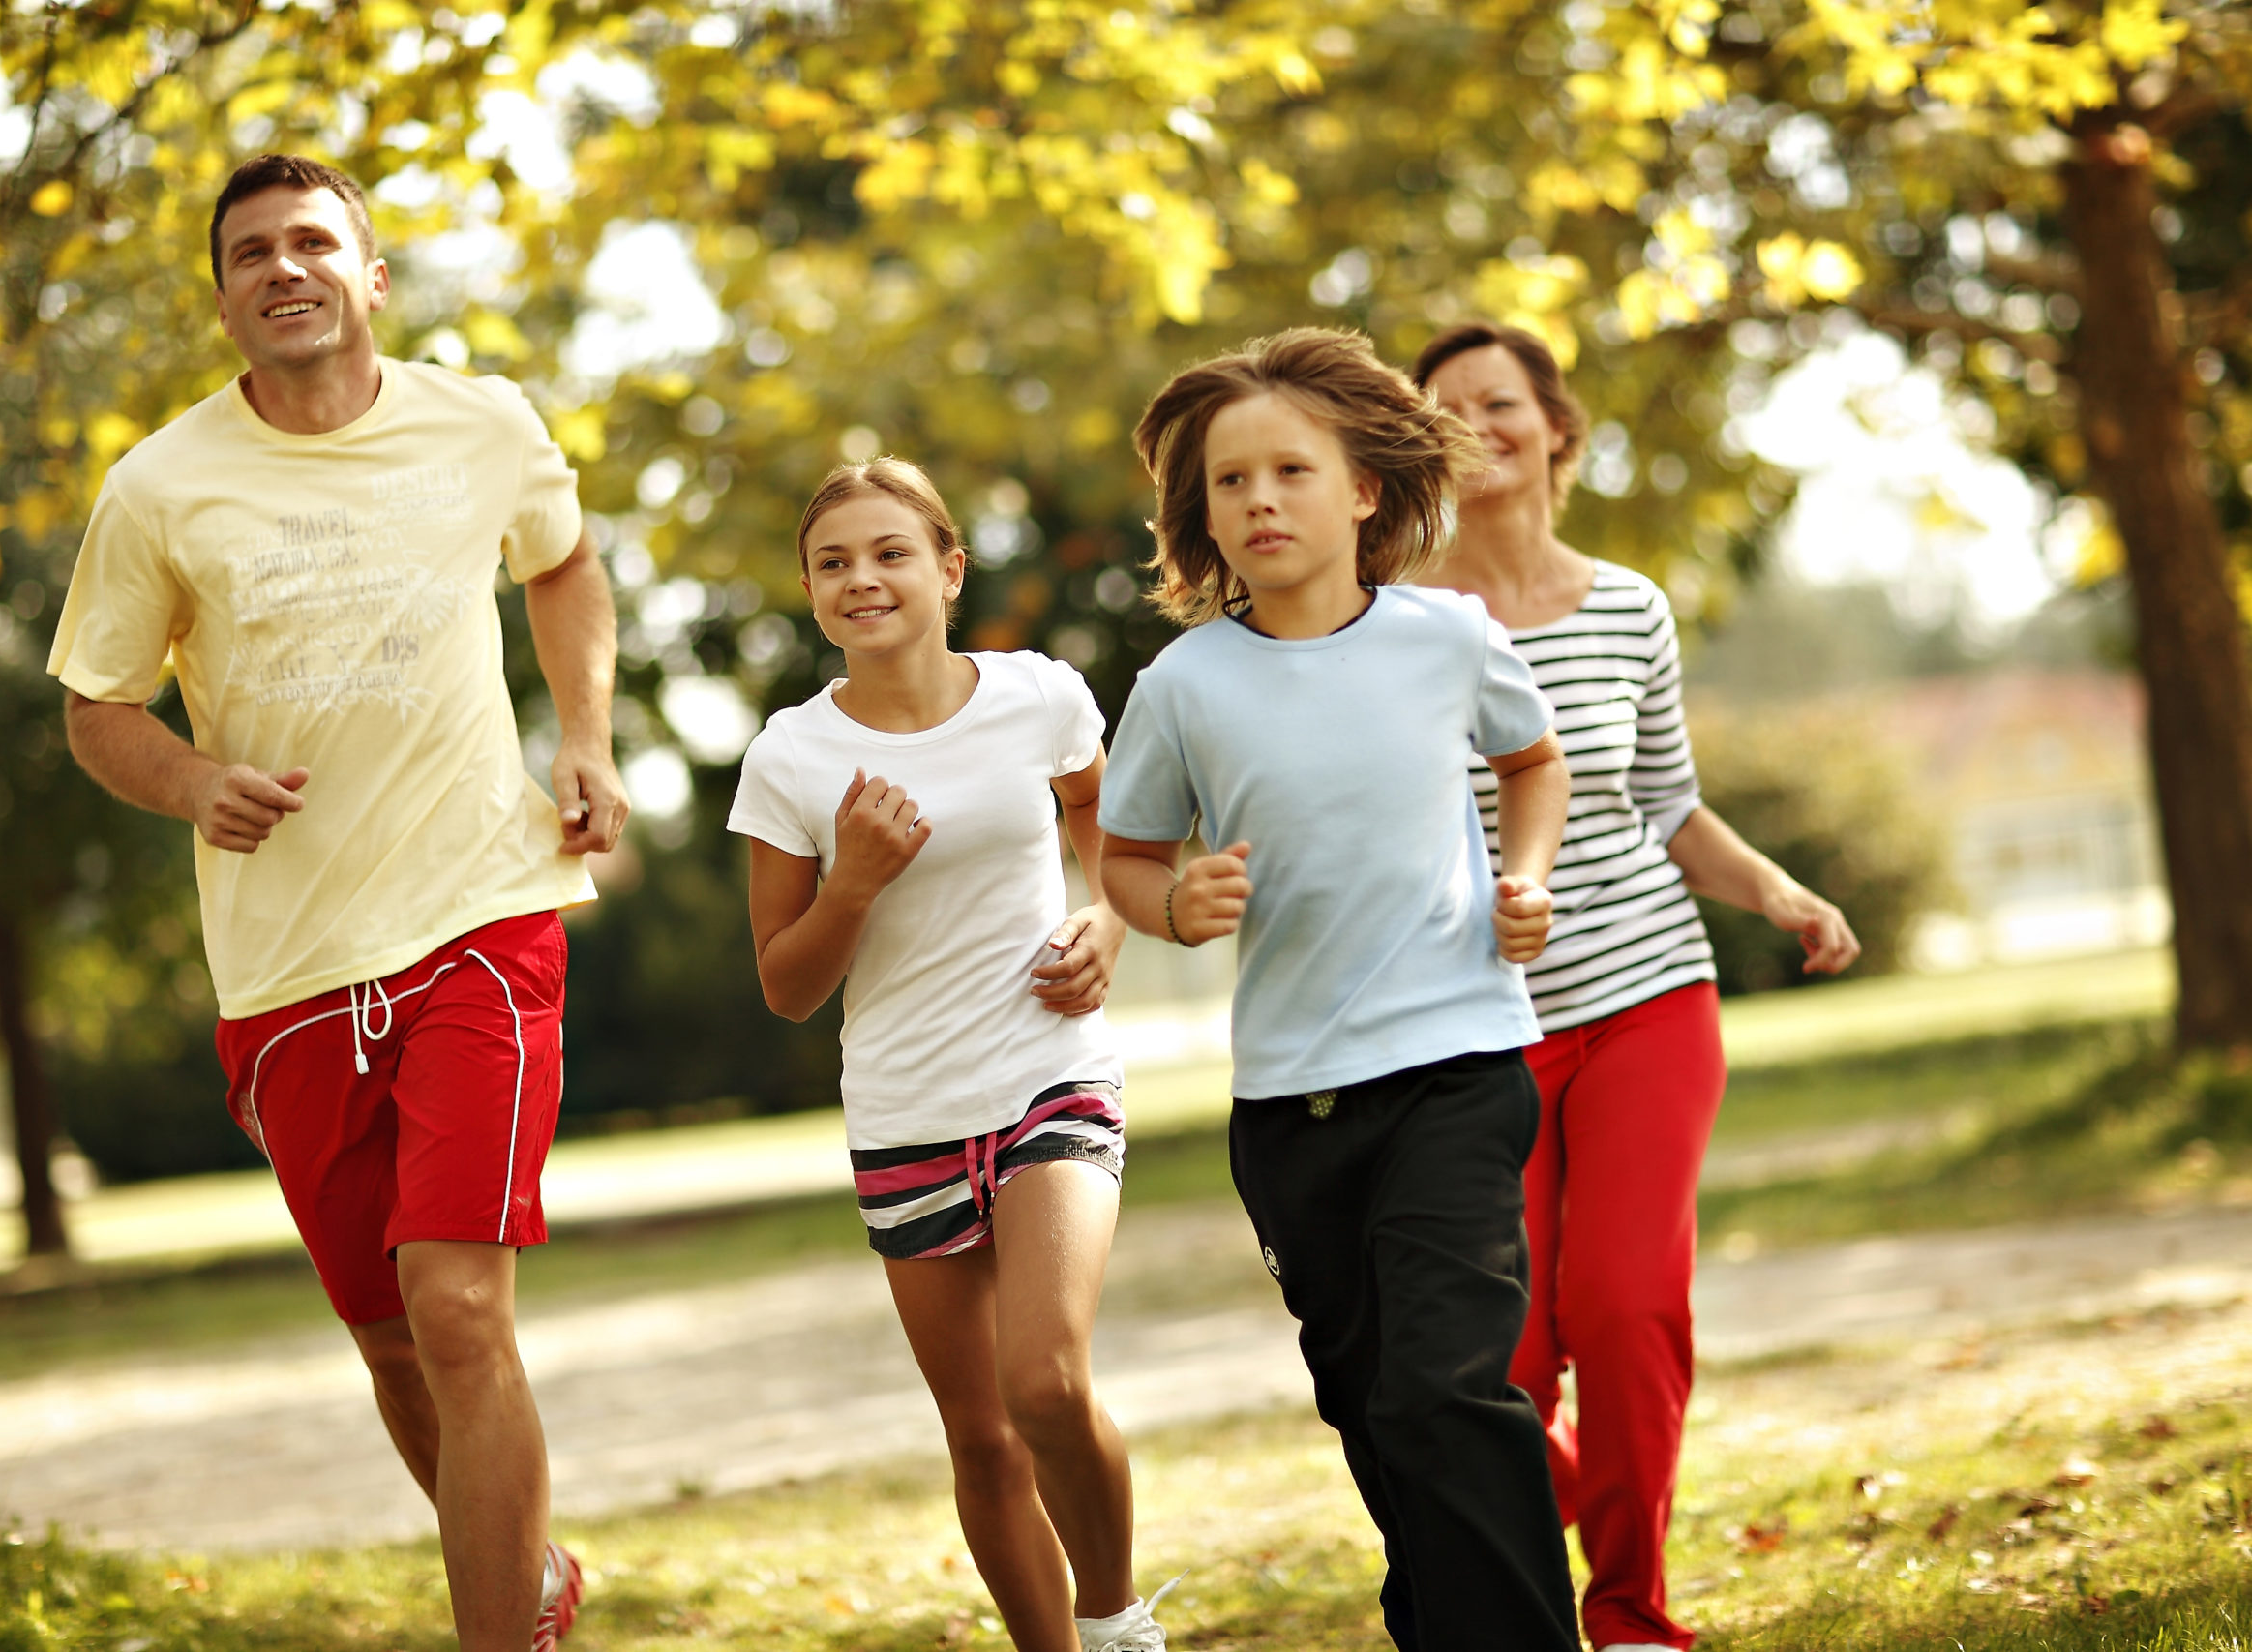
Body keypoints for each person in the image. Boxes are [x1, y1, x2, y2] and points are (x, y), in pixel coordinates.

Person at [51, 153, 623, 1652]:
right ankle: (527, 1569)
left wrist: (589, 736)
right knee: (388, 1340)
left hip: (480, 921)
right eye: (252, 253)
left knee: (458, 1308)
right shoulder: (160, 486)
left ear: (371, 276)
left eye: (314, 241)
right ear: (227, 297)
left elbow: (564, 565)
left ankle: (502, 1635)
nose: (284, 267)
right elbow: (98, 706)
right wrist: (191, 783)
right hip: (287, 967)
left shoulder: (483, 421)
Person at [1096, 327, 1581, 1652]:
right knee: (1375, 1406)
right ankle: (1437, 1618)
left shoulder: (1447, 635)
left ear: (1363, 489)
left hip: (1458, 1065)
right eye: (1229, 481)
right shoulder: (1186, 682)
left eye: (1289, 471)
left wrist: (1520, 878)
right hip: (1294, 1109)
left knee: (1444, 1390)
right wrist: (1173, 906)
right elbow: (1127, 854)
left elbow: (1534, 762)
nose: (1259, 499)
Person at [1412, 319, 1863, 1652]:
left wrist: (1777, 890)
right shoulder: (1403, 624)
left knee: (1622, 1308)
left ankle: (1632, 1614)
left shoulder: (1629, 605)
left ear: (1560, 427)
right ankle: (1514, 1547)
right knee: (1503, 1353)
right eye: (1446, 410)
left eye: (1500, 401)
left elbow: (1669, 799)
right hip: (1481, 1027)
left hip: (1652, 997)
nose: (1477, 425)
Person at [727, 459, 1174, 1652]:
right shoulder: (789, 758)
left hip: (1049, 1070)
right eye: (832, 563)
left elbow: (1107, 822)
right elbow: (786, 984)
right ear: (812, 592)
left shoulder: (1040, 697)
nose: (861, 580)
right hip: (903, 1111)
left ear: (947, 569)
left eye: (889, 553)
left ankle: (1118, 1623)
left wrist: (1109, 921)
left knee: (1047, 1385)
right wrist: (854, 883)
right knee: (980, 1436)